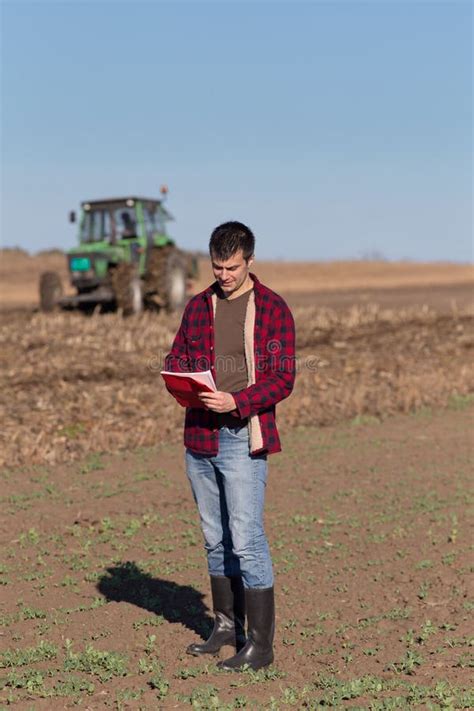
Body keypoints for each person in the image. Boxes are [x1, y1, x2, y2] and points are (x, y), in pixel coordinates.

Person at [164, 221, 296, 671]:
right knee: (214, 538)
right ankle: (225, 626)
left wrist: (237, 400)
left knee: (246, 538)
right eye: (218, 266)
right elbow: (176, 357)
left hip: (242, 437)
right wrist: (181, 381)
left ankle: (260, 644)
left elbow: (283, 378)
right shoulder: (199, 306)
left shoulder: (274, 308)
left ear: (250, 261)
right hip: (198, 435)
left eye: (232, 267)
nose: (224, 275)